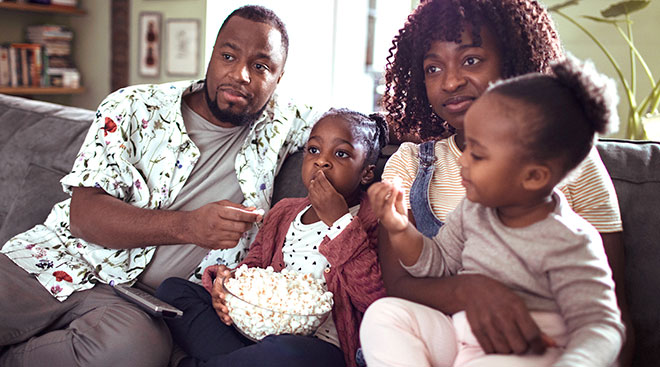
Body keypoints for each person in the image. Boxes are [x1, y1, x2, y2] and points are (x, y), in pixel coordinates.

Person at [0, 5, 321, 366]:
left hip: (135, 305)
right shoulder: (133, 107)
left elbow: (356, 130)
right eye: (228, 56)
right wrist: (189, 226)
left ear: (279, 79)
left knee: (136, 350)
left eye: (261, 66)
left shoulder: (284, 122)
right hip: (59, 261)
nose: (241, 74)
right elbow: (83, 216)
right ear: (212, 56)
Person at [371, 0, 633, 365]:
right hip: (453, 338)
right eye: (433, 67)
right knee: (384, 315)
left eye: (471, 59)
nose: (450, 81)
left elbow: (607, 317)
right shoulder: (425, 172)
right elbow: (409, 280)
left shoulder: (568, 173)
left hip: (528, 346)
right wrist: (400, 229)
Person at [156, 108, 389, 367]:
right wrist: (227, 285)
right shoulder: (283, 212)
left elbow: (375, 298)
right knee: (173, 290)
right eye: (313, 150)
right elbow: (254, 267)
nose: (321, 161)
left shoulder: (373, 219)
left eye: (341, 154)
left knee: (284, 352)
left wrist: (340, 222)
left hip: (317, 347)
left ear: (367, 173)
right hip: (253, 329)